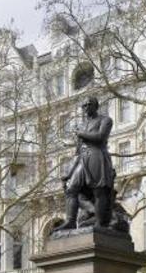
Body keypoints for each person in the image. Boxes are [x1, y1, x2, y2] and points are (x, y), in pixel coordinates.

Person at [54, 96, 128, 232]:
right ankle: (70, 221)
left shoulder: (105, 120)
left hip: (97, 155)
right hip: (82, 158)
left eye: (89, 104)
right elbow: (77, 152)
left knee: (99, 190)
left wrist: (81, 134)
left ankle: (100, 223)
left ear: (96, 106)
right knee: (71, 189)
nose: (86, 107)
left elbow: (101, 137)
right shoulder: (82, 125)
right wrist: (68, 173)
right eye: (84, 105)